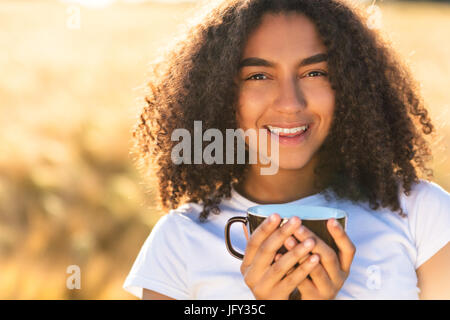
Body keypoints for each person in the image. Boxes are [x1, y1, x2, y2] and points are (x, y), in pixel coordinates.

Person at [123, 0, 450, 300]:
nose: (291, 103)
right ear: (220, 93)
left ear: (351, 86)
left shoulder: (423, 215)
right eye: (259, 75)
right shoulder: (180, 241)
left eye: (314, 73)